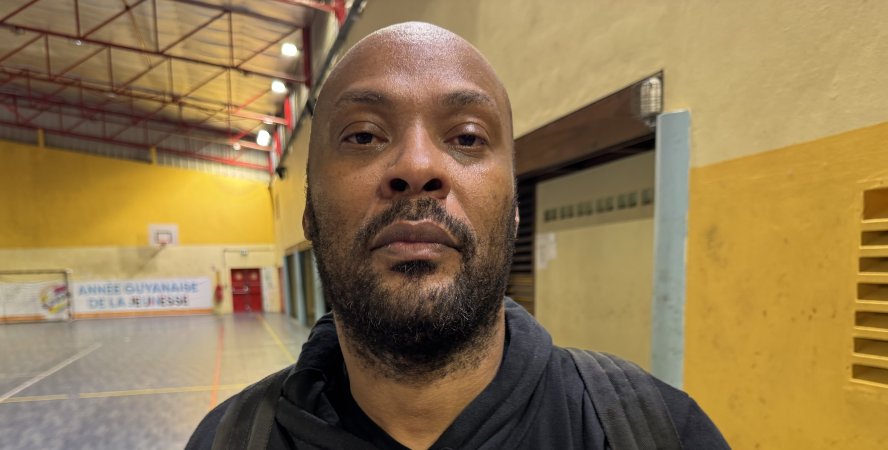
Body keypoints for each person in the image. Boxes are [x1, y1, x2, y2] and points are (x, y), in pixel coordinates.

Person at [187, 22, 729, 450]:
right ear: (308, 212)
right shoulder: (227, 440)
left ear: (514, 211)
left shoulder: (664, 431)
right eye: (364, 135)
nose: (417, 166)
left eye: (467, 138)